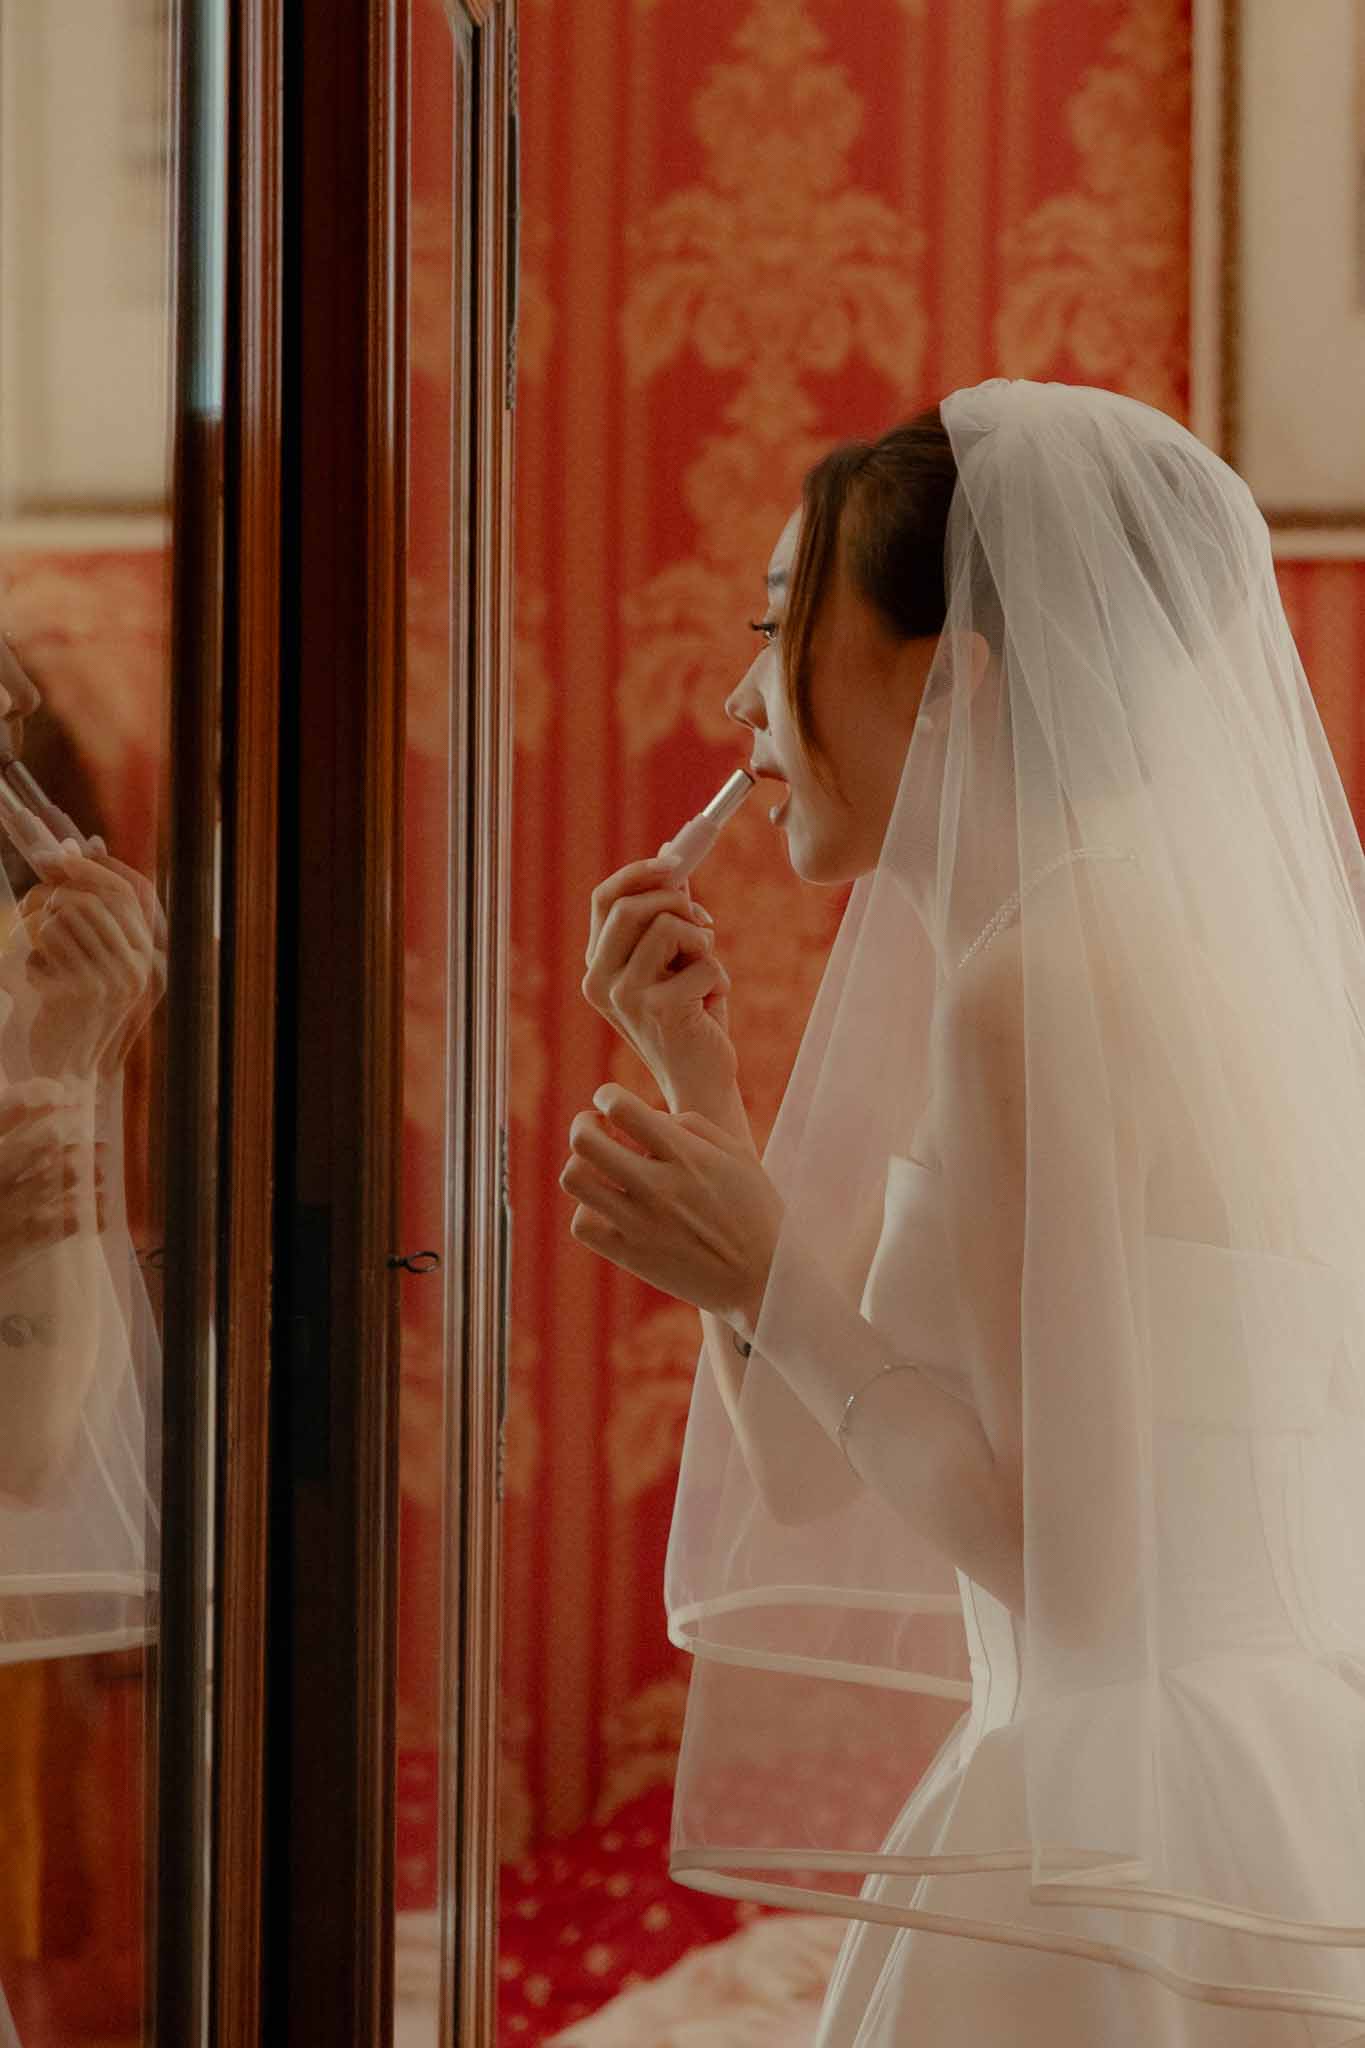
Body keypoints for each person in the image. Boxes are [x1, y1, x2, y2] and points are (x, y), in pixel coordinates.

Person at [566, 380, 1365, 2042]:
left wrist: (771, 1274)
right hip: (1224, 1773)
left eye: (782, 626)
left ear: (958, 675)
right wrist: (702, 1093)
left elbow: (1072, 1578)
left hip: (1113, 1808)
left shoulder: (1036, 995)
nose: (739, 701)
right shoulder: (1086, 956)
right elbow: (805, 1461)